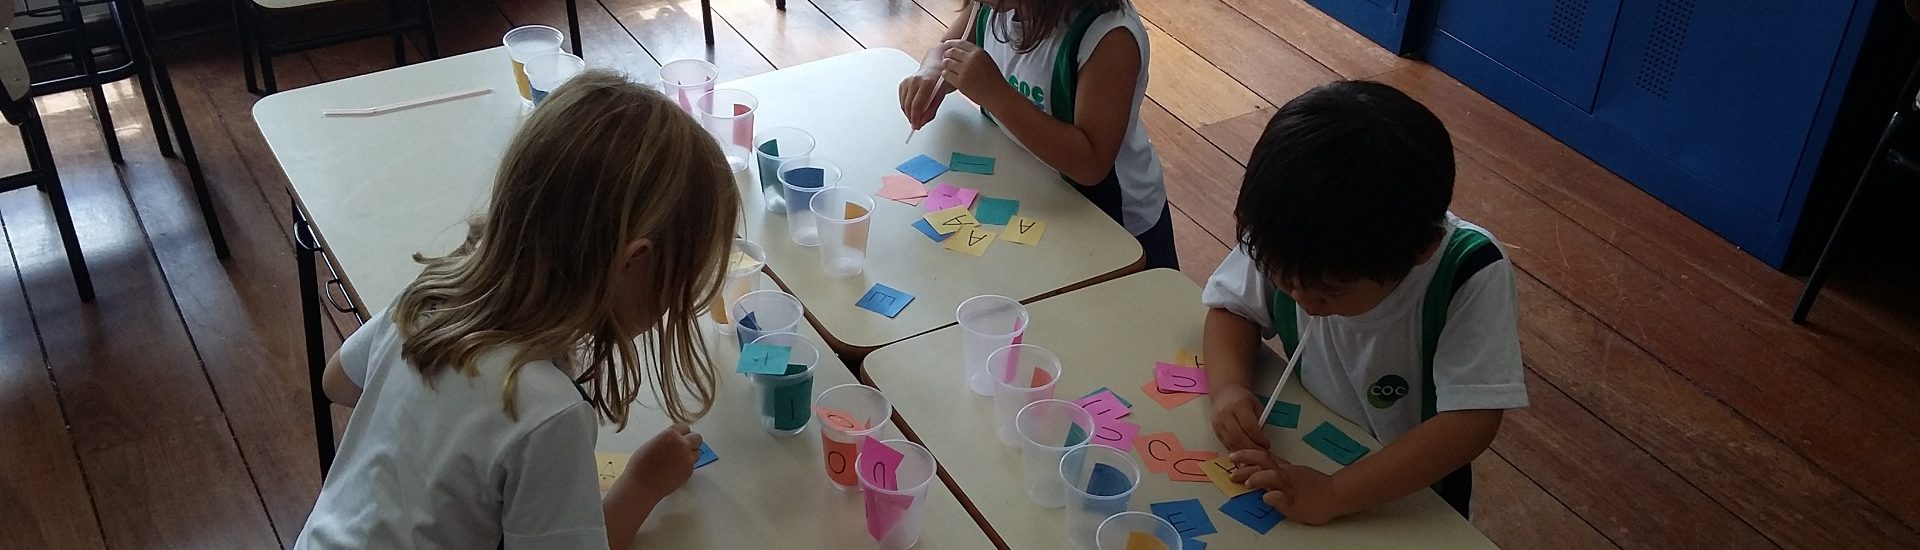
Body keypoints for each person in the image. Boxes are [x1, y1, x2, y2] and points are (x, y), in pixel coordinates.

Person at [295, 71, 740, 549]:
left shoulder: (430, 297)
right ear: (633, 263)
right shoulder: (546, 411)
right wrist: (643, 486)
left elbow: (337, 382)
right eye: (680, 283)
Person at [1200, 81, 1526, 524]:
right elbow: (1230, 309)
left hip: (1404, 487)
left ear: (1421, 250)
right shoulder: (1288, 231)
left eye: (1329, 292)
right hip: (1307, 445)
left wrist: (1336, 493)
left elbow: (1469, 423)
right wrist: (1228, 390)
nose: (1303, 301)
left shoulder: (1467, 272)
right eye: (1284, 281)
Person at [899, 0, 1177, 269]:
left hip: (1111, 222)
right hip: (1031, 195)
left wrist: (995, 94)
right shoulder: (994, 6)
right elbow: (946, 50)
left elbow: (1091, 164)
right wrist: (933, 70)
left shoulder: (1109, 38)